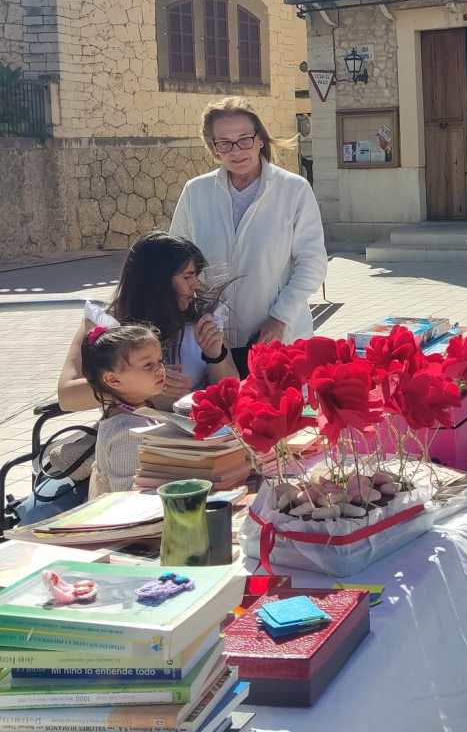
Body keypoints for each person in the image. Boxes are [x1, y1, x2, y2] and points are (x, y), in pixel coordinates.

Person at [170, 96, 328, 375]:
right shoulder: (196, 192)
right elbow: (176, 263)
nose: (237, 150)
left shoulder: (293, 190)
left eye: (244, 139)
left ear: (260, 139)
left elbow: (312, 264)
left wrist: (279, 318)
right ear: (214, 148)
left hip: (280, 338)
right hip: (214, 346)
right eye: (224, 143)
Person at [58, 231, 238, 413]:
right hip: (131, 434)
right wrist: (138, 385)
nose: (196, 285)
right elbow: (67, 397)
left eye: (195, 276)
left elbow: (233, 393)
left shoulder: (203, 322)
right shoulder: (105, 324)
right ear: (157, 281)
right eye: (187, 277)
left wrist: (215, 356)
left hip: (195, 434)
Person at [80, 324, 167, 495]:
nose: (160, 369)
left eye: (160, 360)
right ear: (113, 380)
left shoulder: (133, 413)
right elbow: (127, 498)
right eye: (148, 365)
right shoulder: (127, 432)